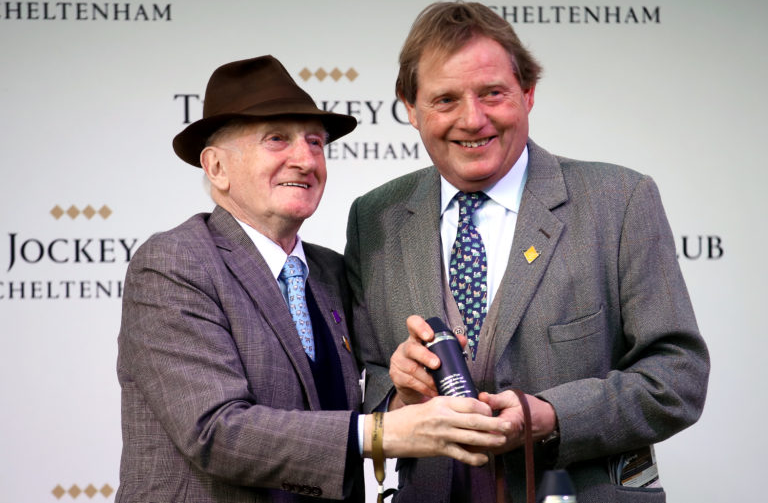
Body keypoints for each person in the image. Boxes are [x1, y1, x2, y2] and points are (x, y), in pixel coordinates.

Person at [344, 1, 710, 502]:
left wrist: (552, 416)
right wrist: (401, 396)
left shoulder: (619, 201)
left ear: (528, 92)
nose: (472, 120)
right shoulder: (374, 218)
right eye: (445, 100)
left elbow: (678, 377)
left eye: (492, 93)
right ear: (410, 107)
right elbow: (370, 389)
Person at [116, 55, 513, 503]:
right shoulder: (173, 263)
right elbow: (215, 431)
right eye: (276, 140)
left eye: (315, 143)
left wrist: (406, 391)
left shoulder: (329, 272)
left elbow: (348, 408)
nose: (305, 160)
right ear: (216, 168)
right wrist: (382, 431)